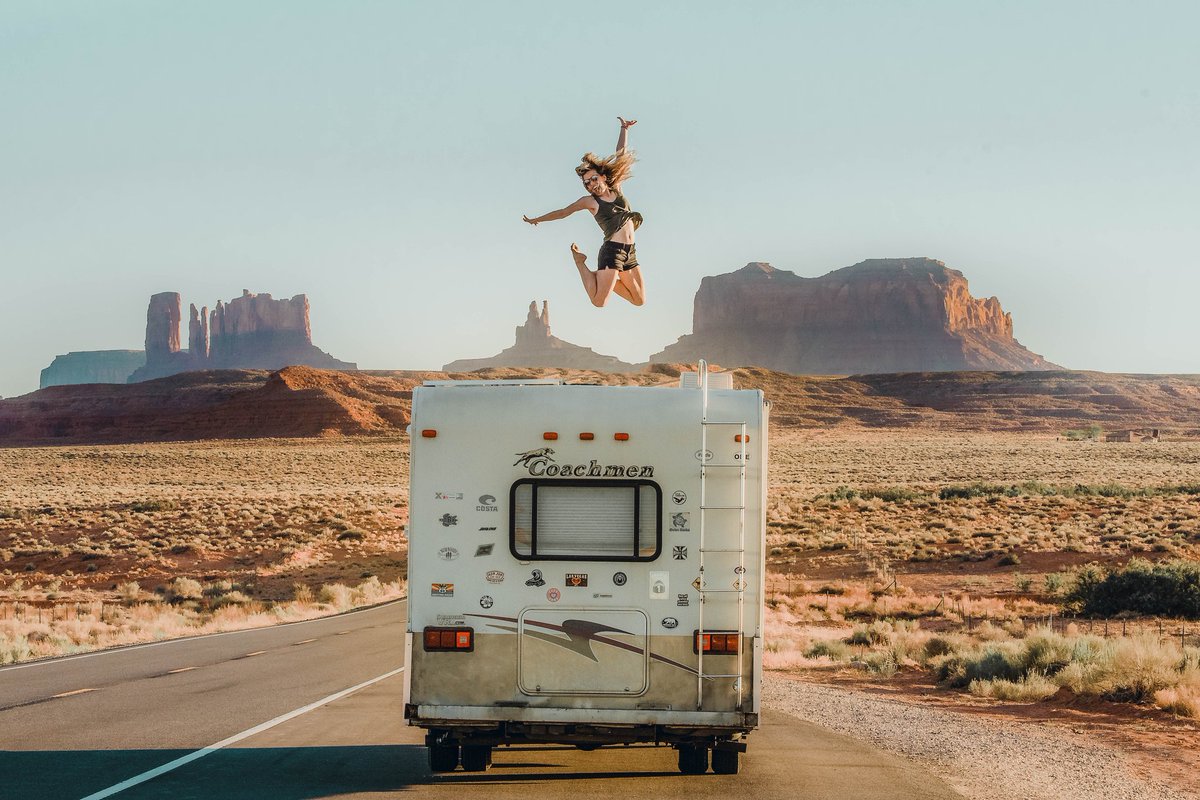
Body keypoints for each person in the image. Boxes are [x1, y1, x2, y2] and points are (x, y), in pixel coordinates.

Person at [523, 117, 645, 307]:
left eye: (594, 179)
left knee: (639, 300)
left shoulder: (617, 189)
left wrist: (624, 128)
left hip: (630, 251)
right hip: (612, 253)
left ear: (603, 177)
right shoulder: (590, 202)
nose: (591, 184)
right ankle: (580, 262)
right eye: (587, 183)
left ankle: (607, 277)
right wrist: (537, 219)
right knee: (599, 301)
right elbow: (564, 212)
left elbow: (620, 154)